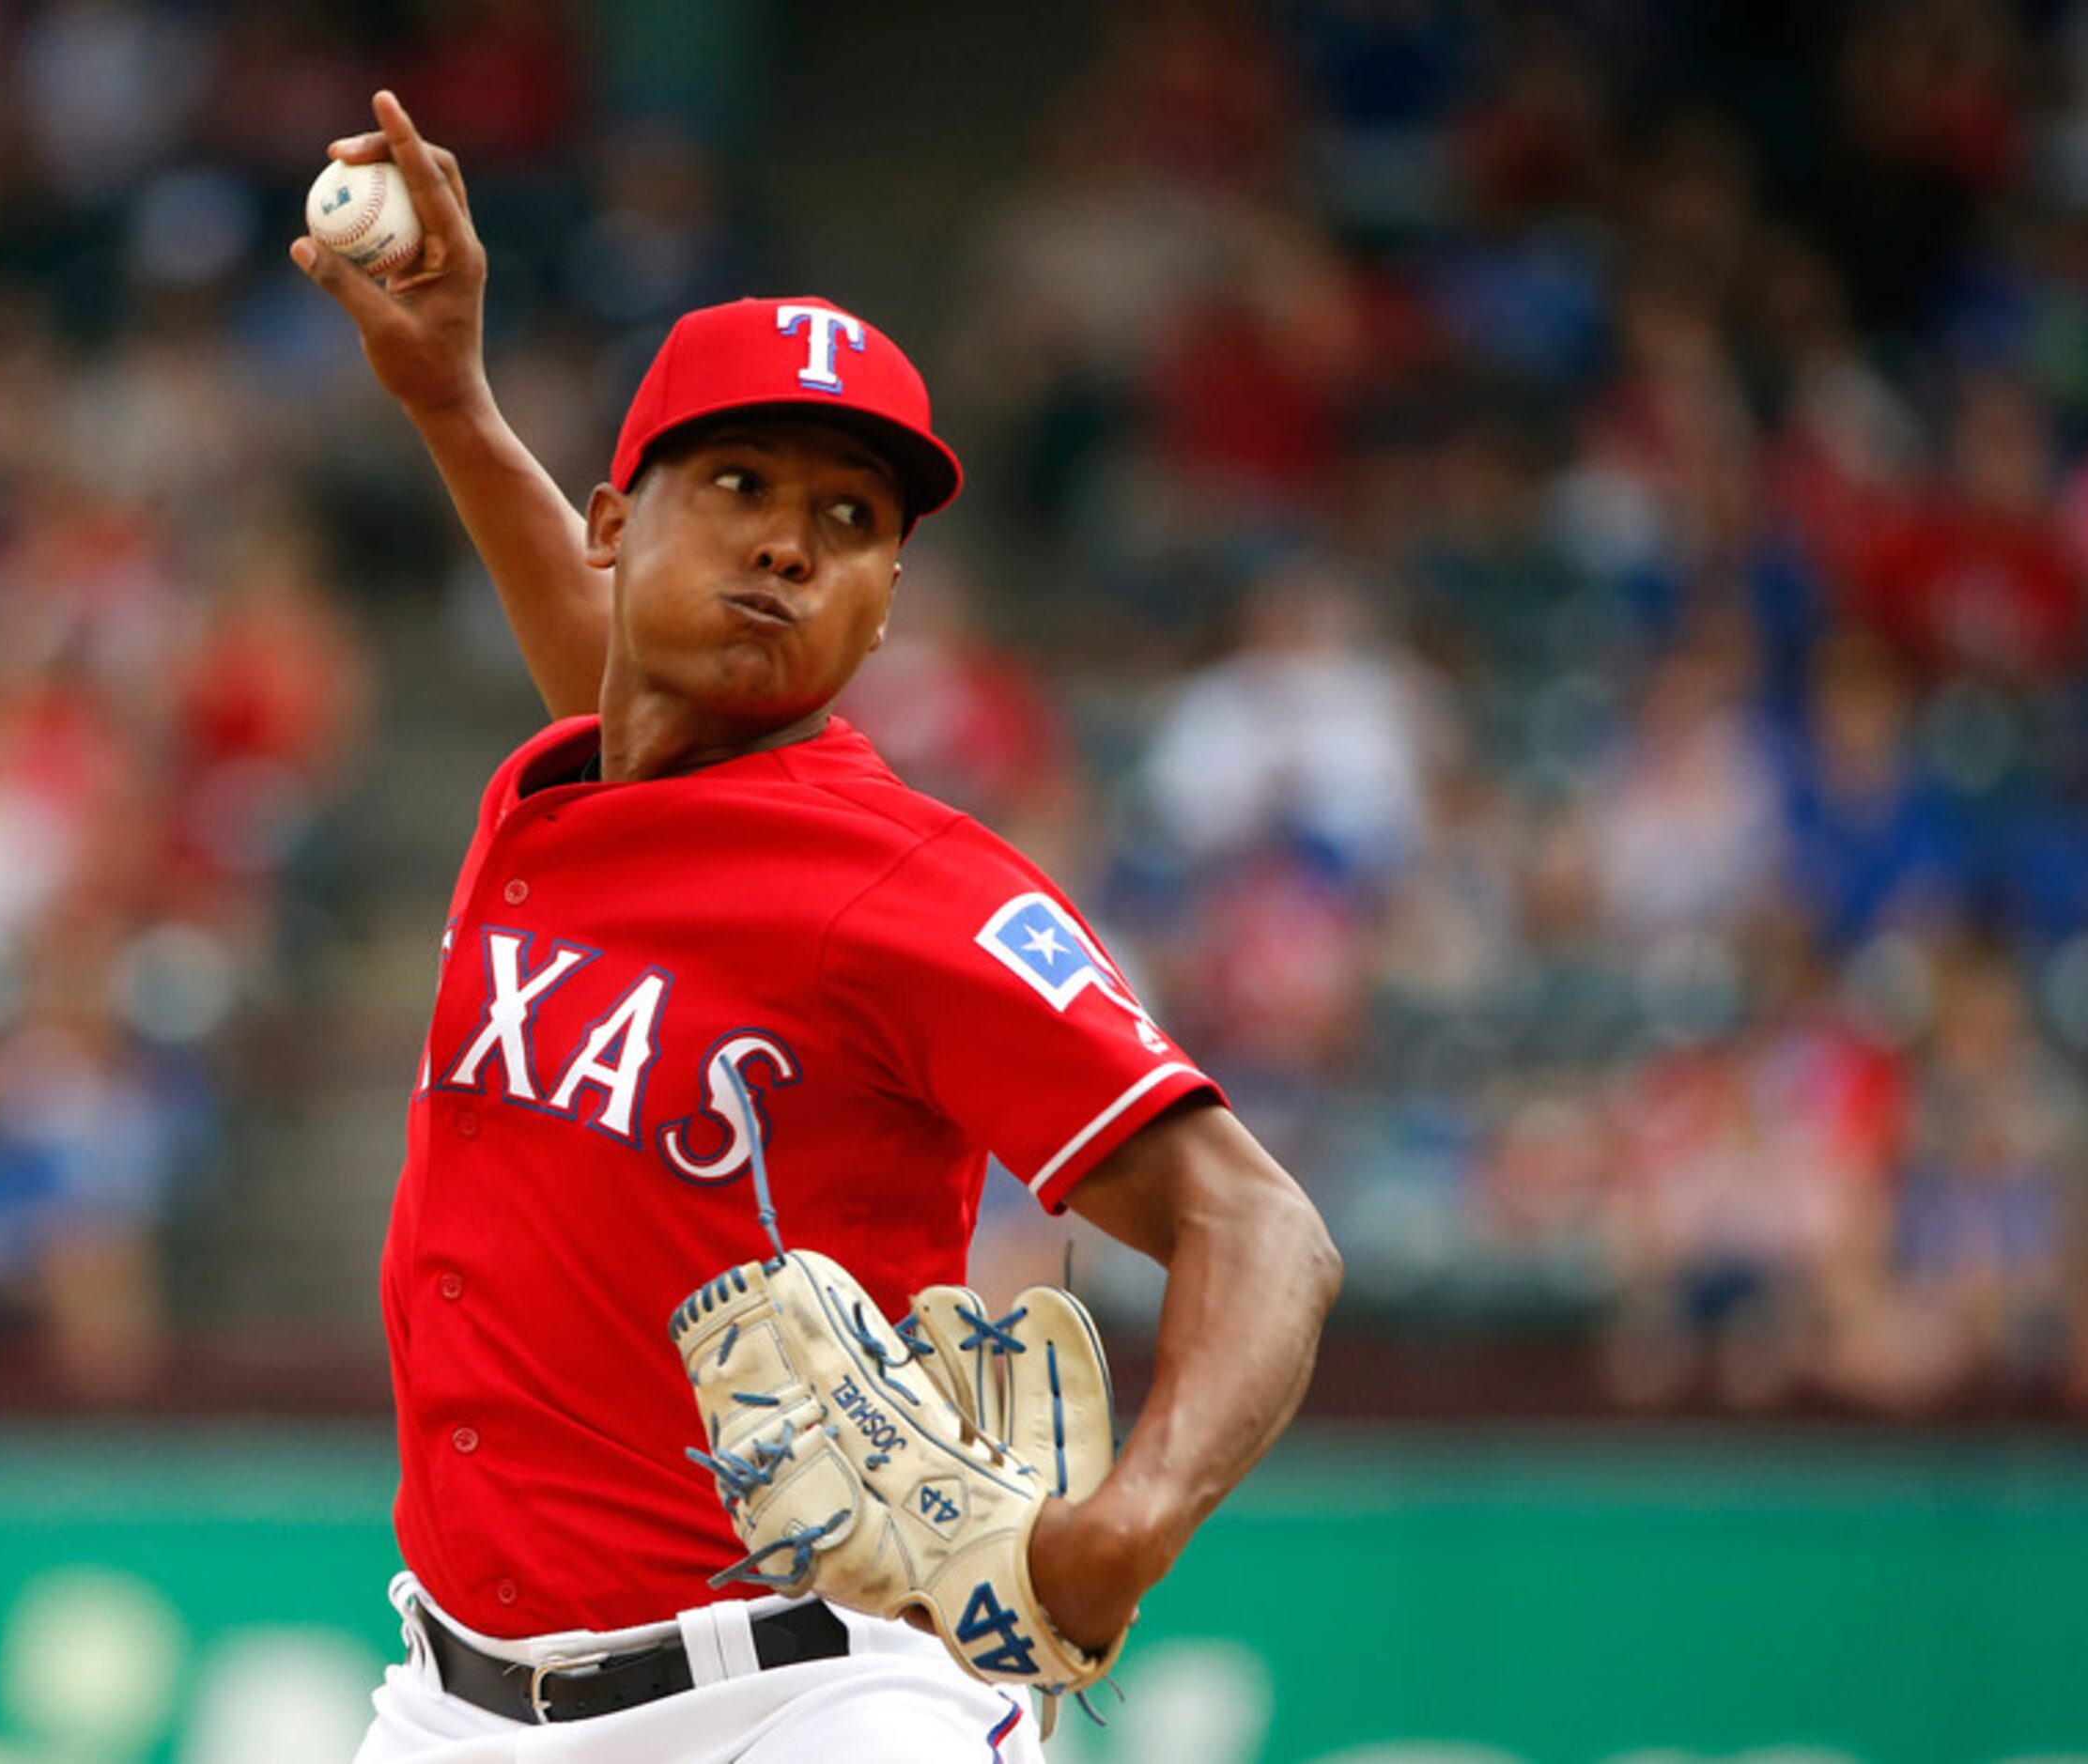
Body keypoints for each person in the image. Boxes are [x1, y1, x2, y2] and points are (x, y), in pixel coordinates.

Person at [290, 92, 1342, 1762]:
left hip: (810, 1701)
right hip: (451, 1706)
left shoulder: (907, 889)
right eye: (738, 482)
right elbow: (622, 681)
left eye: (852, 522)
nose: (790, 539)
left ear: (885, 603)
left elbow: (1258, 1223)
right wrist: (451, 402)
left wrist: (1127, 1520)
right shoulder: (576, 786)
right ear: (620, 520)